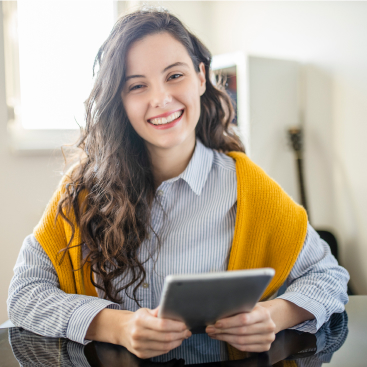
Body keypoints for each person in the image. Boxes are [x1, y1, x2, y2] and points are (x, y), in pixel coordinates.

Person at [7, 6, 349, 362]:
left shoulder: (249, 187)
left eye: (174, 76)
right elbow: (25, 294)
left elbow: (329, 277)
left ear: (201, 77)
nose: (161, 99)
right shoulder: (81, 191)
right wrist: (114, 325)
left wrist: (275, 315)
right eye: (137, 85)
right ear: (120, 101)